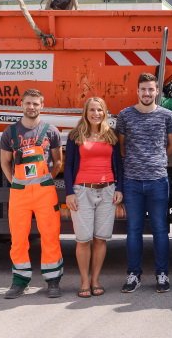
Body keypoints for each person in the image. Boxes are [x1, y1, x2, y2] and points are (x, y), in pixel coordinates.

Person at [0, 88, 64, 299]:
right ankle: (19, 282)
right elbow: (5, 162)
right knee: (18, 238)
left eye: (36, 103)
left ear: (42, 105)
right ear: (21, 104)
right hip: (20, 195)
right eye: (28, 103)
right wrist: (15, 183)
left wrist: (47, 180)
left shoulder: (51, 131)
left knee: (50, 236)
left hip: (45, 194)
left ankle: (53, 281)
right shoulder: (10, 133)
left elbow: (58, 161)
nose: (32, 107)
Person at [116, 73, 172, 294]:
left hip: (158, 181)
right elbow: (121, 148)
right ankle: (134, 275)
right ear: (137, 91)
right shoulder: (125, 116)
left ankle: (162, 275)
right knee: (133, 230)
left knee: (161, 230)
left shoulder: (167, 115)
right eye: (143, 89)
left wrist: (155, 159)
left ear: (157, 91)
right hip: (132, 181)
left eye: (151, 89)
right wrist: (137, 162)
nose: (147, 93)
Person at [64, 97, 123, 298]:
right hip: (82, 191)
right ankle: (84, 281)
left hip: (107, 190)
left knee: (100, 239)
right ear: (86, 112)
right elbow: (68, 166)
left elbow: (119, 165)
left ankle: (95, 279)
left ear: (105, 112)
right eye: (92, 110)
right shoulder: (75, 136)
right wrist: (69, 193)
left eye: (99, 110)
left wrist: (119, 188)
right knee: (83, 239)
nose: (96, 113)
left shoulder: (111, 136)